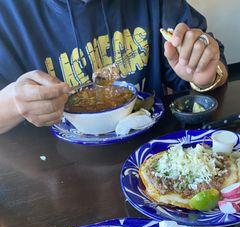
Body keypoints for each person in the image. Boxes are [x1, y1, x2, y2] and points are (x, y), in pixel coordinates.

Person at [0, 0, 228, 134]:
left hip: (151, 158)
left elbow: (213, 69)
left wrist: (204, 74)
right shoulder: (8, 15)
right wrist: (13, 102)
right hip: (52, 177)